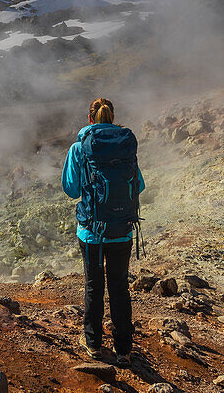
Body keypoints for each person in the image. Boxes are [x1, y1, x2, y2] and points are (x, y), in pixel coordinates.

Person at [62, 97, 145, 367]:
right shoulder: (125, 146)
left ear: (90, 119)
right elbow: (139, 185)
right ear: (111, 117)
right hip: (122, 230)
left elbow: (71, 189)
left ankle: (94, 345)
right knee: (120, 288)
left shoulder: (79, 148)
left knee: (94, 287)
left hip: (91, 232)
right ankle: (123, 351)